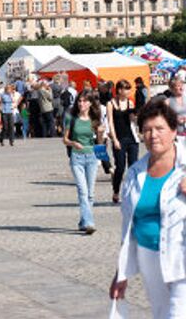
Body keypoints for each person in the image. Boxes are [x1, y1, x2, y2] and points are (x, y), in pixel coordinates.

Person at [109, 100, 186, 318]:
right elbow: (128, 226)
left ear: (173, 131)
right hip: (150, 258)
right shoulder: (135, 173)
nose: (153, 135)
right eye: (147, 130)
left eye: (160, 129)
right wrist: (120, 273)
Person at [63, 90, 104, 234]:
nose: (81, 104)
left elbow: (99, 143)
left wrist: (100, 134)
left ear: (90, 103)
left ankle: (83, 221)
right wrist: (73, 143)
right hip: (77, 158)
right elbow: (64, 139)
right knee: (82, 191)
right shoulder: (72, 118)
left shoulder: (95, 119)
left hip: (92, 157)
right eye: (79, 101)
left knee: (90, 193)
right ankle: (89, 222)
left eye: (85, 101)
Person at [107, 80, 140, 204]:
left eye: (128, 89)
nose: (127, 91)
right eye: (125, 89)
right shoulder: (111, 103)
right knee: (120, 167)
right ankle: (116, 191)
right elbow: (110, 122)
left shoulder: (130, 102)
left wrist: (135, 117)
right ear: (119, 90)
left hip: (132, 138)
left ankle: (132, 192)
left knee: (133, 166)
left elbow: (133, 121)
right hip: (119, 138)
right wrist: (114, 139)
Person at [167, 77, 186, 142]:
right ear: (172, 88)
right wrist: (174, 119)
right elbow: (163, 118)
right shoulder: (167, 101)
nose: (181, 88)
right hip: (176, 134)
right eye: (178, 86)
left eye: (182, 85)